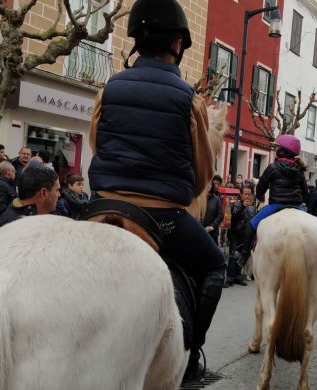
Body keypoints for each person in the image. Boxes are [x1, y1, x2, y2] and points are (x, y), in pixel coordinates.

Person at [87, 0, 225, 382]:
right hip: (162, 216)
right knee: (215, 266)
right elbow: (201, 175)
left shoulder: (110, 87)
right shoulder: (188, 99)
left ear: (135, 40)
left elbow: (97, 144)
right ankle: (192, 352)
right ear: (178, 43)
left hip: (100, 207)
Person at [234, 134, 309, 267]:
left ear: (283, 150)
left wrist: (260, 196)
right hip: (297, 206)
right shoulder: (299, 170)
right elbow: (305, 194)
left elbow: (261, 188)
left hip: (276, 205)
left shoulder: (273, 167)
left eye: (277, 147)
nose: (275, 150)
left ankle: (243, 256)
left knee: (251, 225)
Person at [0, 167, 60, 234]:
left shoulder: (38, 220)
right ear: (43, 193)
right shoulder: (6, 229)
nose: (59, 195)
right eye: (57, 190)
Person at [226, 186, 255, 286]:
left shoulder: (252, 207)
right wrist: (243, 206)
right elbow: (235, 216)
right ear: (241, 194)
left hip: (246, 235)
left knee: (242, 256)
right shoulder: (236, 205)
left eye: (249, 194)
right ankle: (229, 278)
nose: (247, 196)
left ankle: (238, 277)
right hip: (235, 234)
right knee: (234, 256)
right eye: (245, 194)